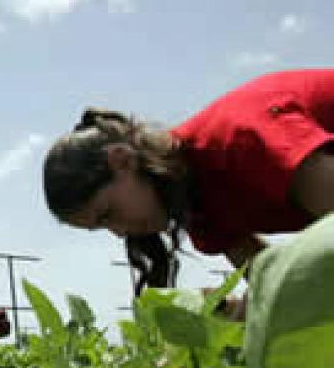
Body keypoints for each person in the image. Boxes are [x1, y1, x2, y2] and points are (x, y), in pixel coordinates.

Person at [42, 69, 334, 292]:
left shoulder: (238, 142)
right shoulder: (200, 209)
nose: (118, 233)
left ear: (123, 160)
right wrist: (237, 316)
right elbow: (278, 289)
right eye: (103, 227)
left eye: (107, 214)